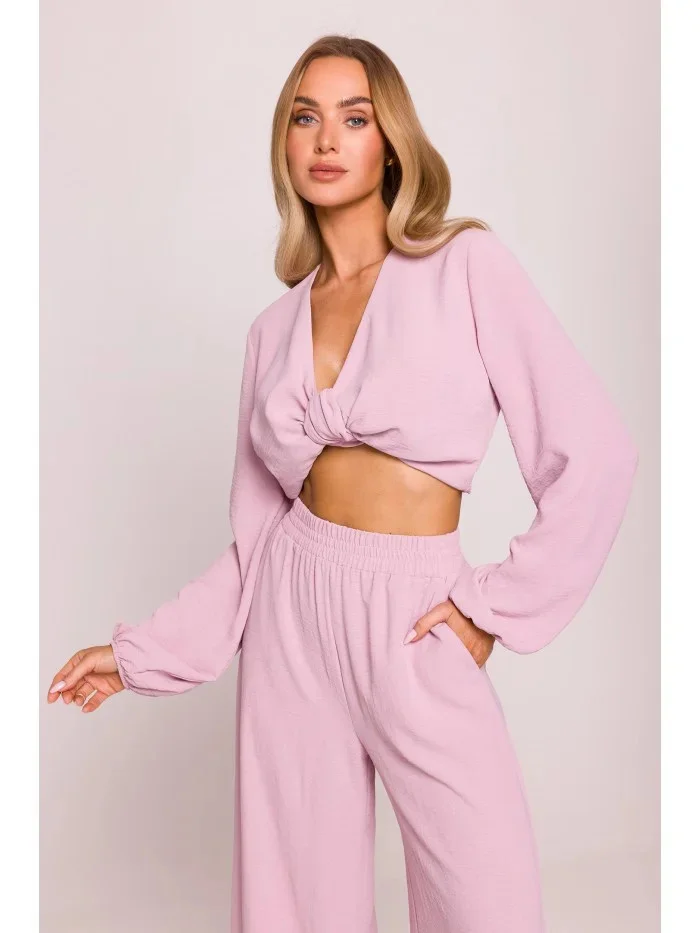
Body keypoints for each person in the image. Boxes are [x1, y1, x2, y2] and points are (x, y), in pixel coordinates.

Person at [47, 35, 639, 933]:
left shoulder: (465, 267)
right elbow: (256, 541)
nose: (327, 139)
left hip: (416, 612)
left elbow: (594, 451)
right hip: (292, 613)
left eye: (354, 118)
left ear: (390, 142)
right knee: (293, 902)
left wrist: (493, 606)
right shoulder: (271, 330)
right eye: (305, 117)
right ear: (284, 144)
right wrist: (139, 655)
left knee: (490, 900)